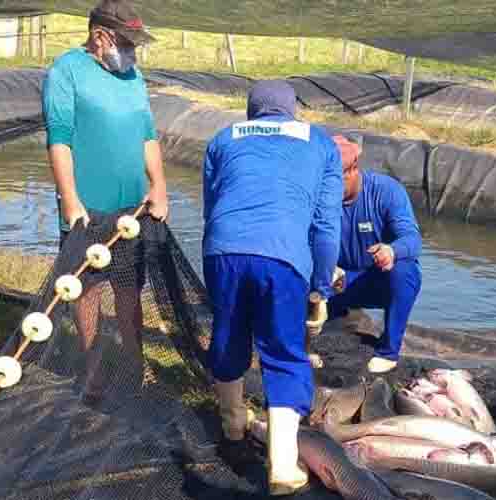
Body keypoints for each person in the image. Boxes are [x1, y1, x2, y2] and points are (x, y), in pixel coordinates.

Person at [202, 80, 342, 495]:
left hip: (223, 250)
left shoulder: (223, 138)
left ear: (252, 112)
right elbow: (325, 226)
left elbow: (213, 208)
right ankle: (282, 466)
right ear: (292, 110)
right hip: (282, 257)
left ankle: (233, 428)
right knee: (283, 351)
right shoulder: (319, 142)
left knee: (228, 335)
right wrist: (320, 287)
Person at [41, 0, 168, 401]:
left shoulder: (133, 76)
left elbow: (147, 135)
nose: (132, 51)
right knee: (87, 289)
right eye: (127, 43)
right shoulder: (66, 71)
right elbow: (59, 138)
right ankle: (92, 369)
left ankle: (135, 366)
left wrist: (159, 186)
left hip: (131, 206)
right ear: (101, 36)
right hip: (88, 205)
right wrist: (70, 199)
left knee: (129, 290)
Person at [311, 135, 422, 374]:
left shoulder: (386, 191)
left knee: (405, 270)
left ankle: (389, 351)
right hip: (334, 282)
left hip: (375, 280)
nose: (327, 187)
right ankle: (306, 343)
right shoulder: (315, 198)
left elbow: (412, 241)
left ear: (353, 170)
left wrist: (392, 250)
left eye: (335, 178)